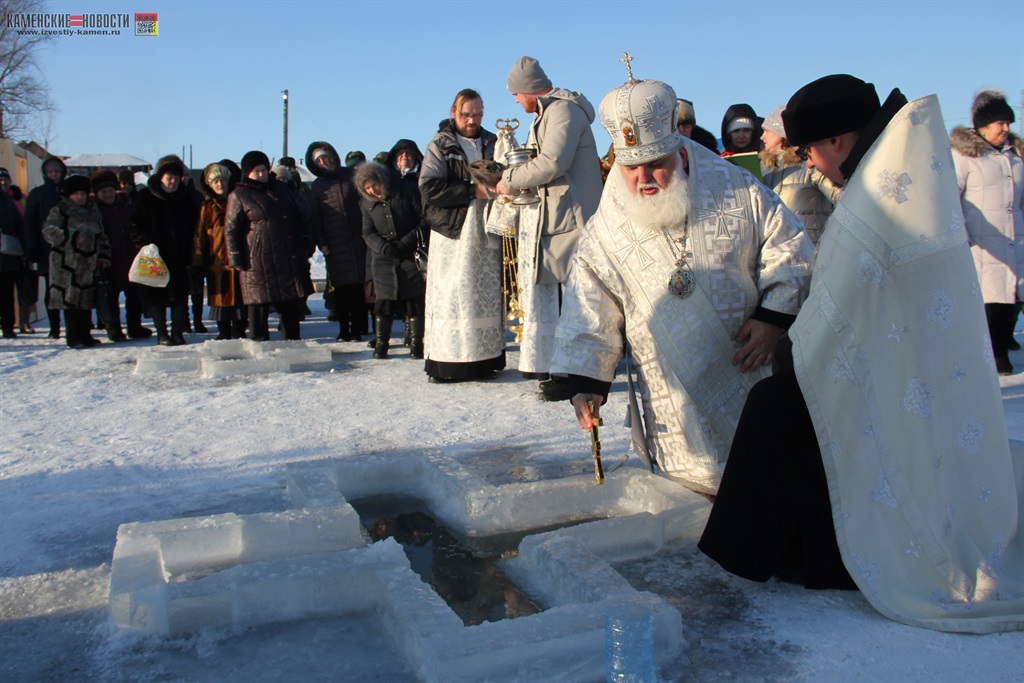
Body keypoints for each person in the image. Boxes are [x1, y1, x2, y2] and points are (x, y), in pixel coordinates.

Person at [699, 74, 1023, 634]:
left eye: (808, 149)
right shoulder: (900, 179)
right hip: (907, 379)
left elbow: (838, 311)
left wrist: (796, 351)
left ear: (836, 140)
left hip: (894, 393)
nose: (808, 162)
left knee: (777, 408)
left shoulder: (876, 200)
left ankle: (794, 556)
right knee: (786, 404)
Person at [550, 71, 813, 494]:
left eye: (657, 163)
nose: (643, 178)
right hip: (672, 403)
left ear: (681, 151)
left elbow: (791, 249)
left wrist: (772, 319)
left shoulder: (739, 190)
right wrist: (587, 383)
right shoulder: (605, 227)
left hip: (748, 370)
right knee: (691, 500)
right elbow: (590, 302)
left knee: (765, 488)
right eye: (631, 167)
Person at [495, 56, 604, 401]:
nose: (515, 100)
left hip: (573, 219)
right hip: (560, 218)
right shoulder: (549, 113)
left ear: (527, 89)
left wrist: (511, 179)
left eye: (515, 93)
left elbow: (554, 161)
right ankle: (566, 373)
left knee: (577, 302)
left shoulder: (562, 111)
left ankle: (579, 377)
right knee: (565, 301)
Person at [419, 88, 505, 383]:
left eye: (478, 114)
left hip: (486, 228)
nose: (472, 120)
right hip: (453, 230)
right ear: (454, 113)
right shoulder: (440, 144)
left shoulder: (492, 141)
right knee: (454, 295)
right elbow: (429, 188)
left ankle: (485, 360)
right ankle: (449, 363)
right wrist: (471, 191)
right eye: (466, 114)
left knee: (484, 296)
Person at [949, 90, 1023, 375]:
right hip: (981, 242)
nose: (1005, 128)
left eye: (1008, 123)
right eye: (999, 123)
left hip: (1015, 239)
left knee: (1013, 298)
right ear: (982, 125)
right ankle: (993, 353)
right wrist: (961, 234)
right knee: (989, 301)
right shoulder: (965, 155)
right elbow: (950, 196)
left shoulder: (1017, 156)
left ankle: (1002, 346)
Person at [225, 150, 311, 341]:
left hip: (285, 255)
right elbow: (231, 229)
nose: (261, 174)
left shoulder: (281, 188)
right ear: (247, 173)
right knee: (258, 303)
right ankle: (259, 344)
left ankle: (292, 344)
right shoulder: (239, 195)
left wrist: (295, 194)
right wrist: (235, 256)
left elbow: (300, 215)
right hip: (256, 260)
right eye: (256, 171)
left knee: (289, 302)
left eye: (264, 170)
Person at [356, 161, 428, 359]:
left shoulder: (406, 190)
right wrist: (384, 247)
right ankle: (382, 343)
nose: (373, 190)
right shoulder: (366, 203)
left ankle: (416, 343)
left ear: (382, 180)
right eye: (368, 188)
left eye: (374, 185)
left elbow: (424, 220)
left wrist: (406, 242)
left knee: (414, 300)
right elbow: (367, 232)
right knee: (384, 302)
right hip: (383, 257)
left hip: (409, 254)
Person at [129, 155, 201, 346]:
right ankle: (162, 334)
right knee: (156, 296)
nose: (173, 182)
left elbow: (195, 225)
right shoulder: (146, 197)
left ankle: (177, 333)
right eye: (169, 178)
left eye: (176, 178)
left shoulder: (185, 198)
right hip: (155, 255)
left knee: (180, 296)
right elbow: (134, 224)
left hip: (180, 254)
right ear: (160, 178)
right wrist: (144, 243)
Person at [305, 141, 368, 341]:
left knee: (357, 288)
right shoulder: (318, 186)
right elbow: (315, 218)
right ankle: (344, 329)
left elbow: (364, 203)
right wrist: (322, 242)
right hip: (334, 244)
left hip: (357, 240)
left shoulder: (350, 176)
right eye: (319, 160)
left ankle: (358, 328)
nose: (324, 162)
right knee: (340, 289)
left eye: (325, 157)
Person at [41, 175, 111, 348]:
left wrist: (103, 256)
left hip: (88, 262)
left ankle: (85, 335)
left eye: (83, 193)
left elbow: (101, 236)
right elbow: (48, 231)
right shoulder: (60, 210)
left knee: (86, 300)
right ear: (68, 195)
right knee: (70, 300)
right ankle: (73, 337)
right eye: (76, 194)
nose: (80, 197)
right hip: (67, 264)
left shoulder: (93, 211)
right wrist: (70, 236)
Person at [759, 105, 842, 246]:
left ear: (781, 131)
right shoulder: (765, 171)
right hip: (777, 251)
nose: (762, 137)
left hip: (811, 248)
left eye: (766, 130)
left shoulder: (809, 165)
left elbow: (841, 196)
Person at [92, 169, 149, 341]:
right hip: (108, 259)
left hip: (130, 255)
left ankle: (135, 326)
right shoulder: (94, 211)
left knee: (134, 295)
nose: (108, 195)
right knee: (110, 296)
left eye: (110, 190)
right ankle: (113, 329)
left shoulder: (127, 206)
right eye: (103, 192)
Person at [194, 162, 246, 340]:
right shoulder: (207, 207)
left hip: (238, 257)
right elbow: (200, 235)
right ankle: (223, 331)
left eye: (222, 180)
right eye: (215, 181)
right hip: (216, 261)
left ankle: (239, 329)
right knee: (220, 298)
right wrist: (198, 261)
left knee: (240, 298)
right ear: (209, 184)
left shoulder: (238, 200)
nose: (220, 184)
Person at [24, 156, 67, 339]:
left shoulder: (68, 191)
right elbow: (30, 222)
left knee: (72, 287)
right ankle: (54, 327)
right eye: (50, 172)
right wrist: (32, 248)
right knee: (51, 288)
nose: (54, 175)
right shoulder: (37, 194)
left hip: (70, 247)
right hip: (46, 248)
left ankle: (77, 324)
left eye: (57, 171)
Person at [0, 189, 26, 339]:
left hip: (6, 255)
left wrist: (24, 250)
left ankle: (7, 326)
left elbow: (18, 225)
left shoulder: (6, 200)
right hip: (6, 255)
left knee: (6, 294)